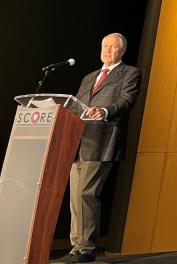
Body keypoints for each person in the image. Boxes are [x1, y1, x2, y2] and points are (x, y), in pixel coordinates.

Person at [62, 33, 142, 263]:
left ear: (122, 51)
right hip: (79, 141)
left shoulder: (130, 73)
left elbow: (126, 100)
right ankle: (77, 246)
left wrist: (104, 111)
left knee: (86, 193)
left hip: (103, 141)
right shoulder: (89, 77)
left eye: (112, 46)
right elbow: (76, 104)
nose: (107, 50)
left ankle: (86, 248)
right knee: (76, 196)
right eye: (104, 46)